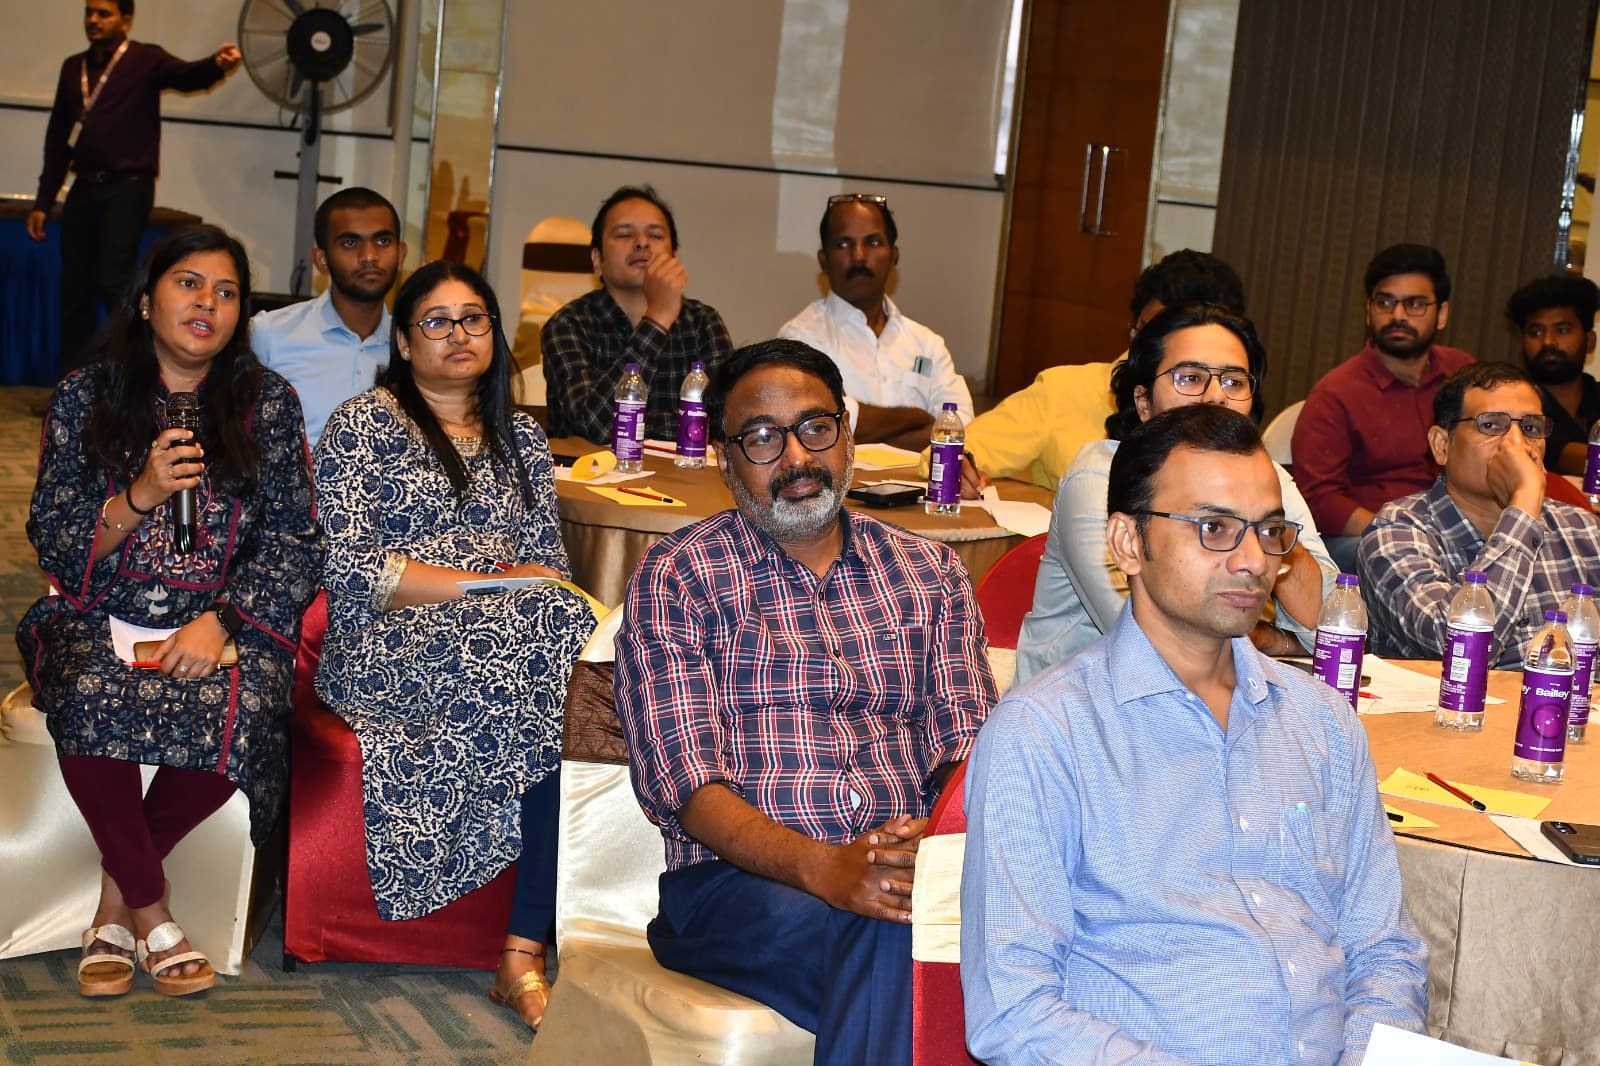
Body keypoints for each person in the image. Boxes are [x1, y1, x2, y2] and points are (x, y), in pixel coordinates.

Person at [962, 404, 1429, 1064]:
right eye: (1214, 528)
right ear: (1128, 542)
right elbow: (1015, 1013)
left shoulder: (1322, 721)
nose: (1251, 561)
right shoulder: (1043, 736)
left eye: (1269, 532)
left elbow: (1384, 951)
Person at [613, 338, 996, 1066]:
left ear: (848, 436)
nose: (795, 458)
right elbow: (688, 788)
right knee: (895, 931)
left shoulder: (930, 572)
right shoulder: (680, 575)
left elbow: (966, 749)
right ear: (726, 463)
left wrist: (931, 843)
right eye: (762, 438)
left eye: (815, 428)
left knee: (965, 926)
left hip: (904, 864)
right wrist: (828, 870)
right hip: (735, 885)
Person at [16, 224, 323, 998]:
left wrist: (222, 620)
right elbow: (52, 531)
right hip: (99, 611)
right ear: (148, 300)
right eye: (189, 284)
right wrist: (138, 497)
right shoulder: (90, 394)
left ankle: (114, 909)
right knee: (84, 693)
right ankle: (155, 913)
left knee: (250, 709)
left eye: (226, 293)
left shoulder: (267, 404)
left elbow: (294, 537)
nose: (207, 304)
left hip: (217, 623)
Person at [313, 260, 599, 1030]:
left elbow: (549, 571)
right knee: (541, 641)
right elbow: (350, 567)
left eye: (474, 318)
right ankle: (525, 948)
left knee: (575, 644)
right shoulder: (366, 423)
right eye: (436, 322)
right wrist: (486, 588)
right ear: (404, 343)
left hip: (502, 640)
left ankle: (523, 944)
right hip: (385, 646)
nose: (459, 335)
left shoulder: (525, 439)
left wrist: (515, 594)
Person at [1014, 303, 1335, 683]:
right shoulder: (1099, 477)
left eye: (1234, 382)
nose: (1216, 396)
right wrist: (1272, 639)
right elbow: (1153, 639)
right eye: (1190, 377)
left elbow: (1335, 626)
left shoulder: (1267, 479)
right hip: (1085, 718)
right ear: (1144, 401)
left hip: (1226, 701)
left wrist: (1266, 519)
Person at [29, 0, 242, 376]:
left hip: (128, 188)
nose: (94, 20)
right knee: (73, 288)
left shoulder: (145, 59)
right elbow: (58, 139)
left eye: (104, 14)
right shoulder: (72, 67)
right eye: (89, 13)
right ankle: (72, 383)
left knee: (114, 280)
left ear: (125, 19)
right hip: (84, 187)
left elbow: (188, 75)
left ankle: (126, 375)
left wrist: (217, 64)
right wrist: (43, 201)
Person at [1359, 362, 1600, 666]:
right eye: (1491, 425)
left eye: (1530, 428)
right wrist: (1524, 501)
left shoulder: (1584, 530)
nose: (1516, 444)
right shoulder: (1396, 531)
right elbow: (1464, 651)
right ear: (1442, 445)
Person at [956, 249, 1246, 496]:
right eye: (1149, 333)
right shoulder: (1065, 390)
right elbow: (954, 450)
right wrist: (960, 466)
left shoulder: (1227, 414)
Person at [1292, 243, 1475, 571]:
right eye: (1385, 302)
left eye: (1415, 304)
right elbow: (1318, 498)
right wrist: (1397, 534)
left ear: (1442, 313)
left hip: (1459, 533)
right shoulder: (1336, 393)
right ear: (1368, 310)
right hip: (1369, 539)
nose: (1398, 316)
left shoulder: (1464, 375)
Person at [780, 193, 975, 450]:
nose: (859, 256)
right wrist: (918, 419)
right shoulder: (800, 339)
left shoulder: (927, 344)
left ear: (894, 256)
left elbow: (960, 427)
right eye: (843, 244)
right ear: (823, 260)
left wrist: (864, 431)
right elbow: (820, 423)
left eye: (873, 242)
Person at [541, 184, 733, 444]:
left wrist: (634, 422)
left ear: (674, 257)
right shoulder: (569, 325)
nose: (642, 242)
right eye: (623, 234)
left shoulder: (703, 324)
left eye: (655, 235)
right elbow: (595, 428)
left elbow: (727, 423)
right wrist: (657, 319)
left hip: (686, 481)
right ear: (597, 260)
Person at [251, 187, 405, 448]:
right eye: (350, 242)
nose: (369, 256)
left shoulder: (412, 346)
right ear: (321, 260)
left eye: (382, 241)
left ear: (401, 255)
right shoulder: (270, 334)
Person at [1506, 274, 1600, 475]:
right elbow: (1560, 456)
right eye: (1536, 333)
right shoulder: (1508, 402)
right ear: (1522, 344)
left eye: (1563, 330)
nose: (1549, 341)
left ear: (1590, 341)